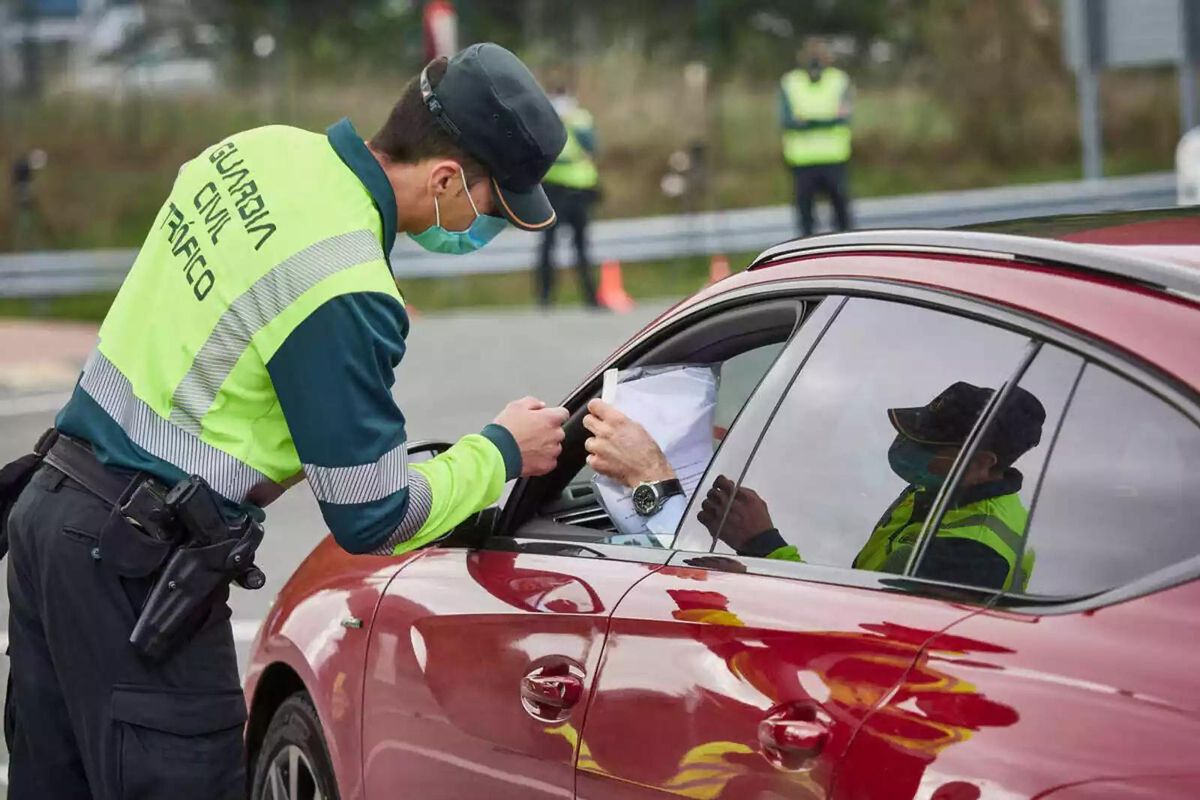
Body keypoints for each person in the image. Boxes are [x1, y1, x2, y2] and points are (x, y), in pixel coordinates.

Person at [1, 43, 568, 799]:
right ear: (445, 179)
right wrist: (499, 451)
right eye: (490, 210)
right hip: (135, 571)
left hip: (49, 518)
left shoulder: (258, 151)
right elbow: (374, 514)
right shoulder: (346, 283)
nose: (480, 230)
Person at [584, 381, 1046, 591]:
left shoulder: (967, 552)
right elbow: (843, 474)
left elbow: (851, 627)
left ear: (983, 464)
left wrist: (762, 544)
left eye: (925, 444)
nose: (905, 447)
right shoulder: (944, 492)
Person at [780, 38, 854, 237]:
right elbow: (787, 120)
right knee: (806, 221)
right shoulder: (791, 82)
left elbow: (845, 116)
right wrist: (828, 120)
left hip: (834, 159)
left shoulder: (839, 80)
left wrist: (807, 122)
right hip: (802, 161)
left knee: (842, 218)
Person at [536, 81, 600, 307]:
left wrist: (568, 120)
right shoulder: (542, 119)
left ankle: (591, 298)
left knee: (582, 246)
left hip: (579, 189)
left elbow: (591, 144)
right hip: (553, 190)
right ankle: (545, 298)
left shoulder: (580, 117)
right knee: (547, 245)